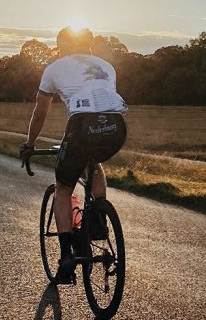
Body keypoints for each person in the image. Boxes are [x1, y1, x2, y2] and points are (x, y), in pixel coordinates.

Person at [19, 27, 128, 284]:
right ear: (89, 45)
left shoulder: (54, 68)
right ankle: (99, 217)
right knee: (93, 162)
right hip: (116, 126)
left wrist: (30, 144)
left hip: (81, 126)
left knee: (63, 187)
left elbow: (40, 110)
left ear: (61, 46)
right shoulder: (107, 66)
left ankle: (66, 256)